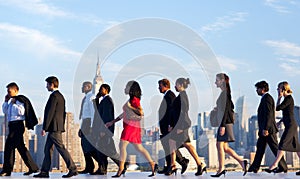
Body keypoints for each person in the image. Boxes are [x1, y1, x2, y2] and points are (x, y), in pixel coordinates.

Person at [105, 80, 158, 177]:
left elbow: (141, 113)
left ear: (131, 89)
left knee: (122, 146)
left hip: (131, 126)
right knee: (139, 148)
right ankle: (153, 164)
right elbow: (124, 114)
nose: (125, 88)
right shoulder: (131, 100)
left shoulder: (134, 100)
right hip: (130, 126)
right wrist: (112, 122)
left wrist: (130, 107)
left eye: (127, 87)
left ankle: (121, 169)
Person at [33, 76, 77, 178]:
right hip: (57, 127)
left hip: (54, 128)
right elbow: (63, 113)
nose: (46, 86)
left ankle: (73, 168)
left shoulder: (54, 96)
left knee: (60, 148)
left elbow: (50, 112)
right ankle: (44, 172)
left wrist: (45, 127)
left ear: (52, 84)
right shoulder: (61, 96)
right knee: (47, 149)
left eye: (47, 84)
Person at [166, 78, 206, 176]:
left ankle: (199, 164)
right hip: (177, 125)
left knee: (187, 145)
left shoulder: (183, 96)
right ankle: (173, 165)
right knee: (173, 143)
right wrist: (171, 125)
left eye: (176, 84)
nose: (174, 86)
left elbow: (183, 112)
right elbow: (174, 112)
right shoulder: (180, 95)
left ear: (180, 85)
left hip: (181, 125)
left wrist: (180, 127)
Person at [210, 73, 247, 177]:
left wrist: (222, 125)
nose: (215, 82)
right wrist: (218, 109)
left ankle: (221, 168)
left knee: (219, 145)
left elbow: (226, 110)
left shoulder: (225, 93)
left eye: (216, 80)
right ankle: (241, 161)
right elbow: (231, 107)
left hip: (225, 123)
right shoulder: (226, 93)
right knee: (224, 147)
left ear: (222, 81)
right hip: (226, 122)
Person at [248, 80, 287, 173]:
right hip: (264, 130)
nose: (256, 91)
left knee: (275, 148)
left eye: (258, 89)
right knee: (260, 148)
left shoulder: (267, 98)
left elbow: (269, 114)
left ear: (263, 89)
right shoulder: (265, 98)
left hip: (268, 130)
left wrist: (266, 128)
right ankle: (254, 167)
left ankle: (283, 166)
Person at [0, 82, 39, 176]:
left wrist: (14, 104)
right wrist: (6, 101)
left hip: (18, 125)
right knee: (20, 147)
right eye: (7, 91)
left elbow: (22, 112)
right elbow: (5, 111)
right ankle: (33, 168)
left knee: (9, 147)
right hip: (11, 125)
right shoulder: (10, 101)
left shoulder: (20, 100)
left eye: (10, 91)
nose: (8, 93)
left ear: (15, 90)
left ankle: (7, 170)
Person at [266, 81, 300, 174]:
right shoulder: (287, 99)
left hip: (291, 126)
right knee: (297, 148)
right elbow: (286, 113)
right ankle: (274, 165)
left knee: (282, 144)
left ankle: (274, 165)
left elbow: (278, 108)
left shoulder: (288, 98)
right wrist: (280, 122)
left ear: (284, 89)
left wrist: (279, 97)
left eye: (279, 88)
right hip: (290, 125)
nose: (277, 90)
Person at [157, 79, 189, 174]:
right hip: (165, 126)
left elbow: (172, 112)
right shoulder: (167, 95)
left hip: (168, 126)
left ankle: (181, 162)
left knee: (170, 146)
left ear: (165, 85)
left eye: (160, 86)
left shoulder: (170, 95)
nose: (158, 88)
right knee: (167, 147)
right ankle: (170, 166)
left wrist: (171, 125)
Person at [92, 84, 122, 175]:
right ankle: (103, 169)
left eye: (102, 89)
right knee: (105, 150)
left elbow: (107, 117)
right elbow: (97, 112)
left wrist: (103, 131)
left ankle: (121, 165)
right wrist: (97, 99)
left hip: (105, 130)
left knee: (107, 150)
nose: (100, 90)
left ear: (106, 90)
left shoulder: (108, 101)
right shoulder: (103, 100)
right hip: (102, 130)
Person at [77, 81, 101, 175]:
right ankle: (89, 167)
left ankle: (101, 163)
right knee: (84, 145)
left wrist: (91, 126)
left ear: (87, 87)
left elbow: (93, 113)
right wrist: (81, 127)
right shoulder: (86, 97)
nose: (81, 88)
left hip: (89, 123)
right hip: (85, 123)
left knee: (88, 146)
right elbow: (84, 115)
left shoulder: (91, 97)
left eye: (83, 86)